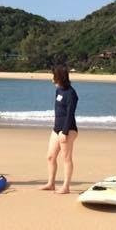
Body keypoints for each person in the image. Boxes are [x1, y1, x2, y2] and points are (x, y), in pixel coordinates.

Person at [40, 64, 78, 194]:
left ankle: (66, 187)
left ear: (59, 77)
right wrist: (57, 129)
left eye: (53, 76)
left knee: (66, 158)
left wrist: (65, 132)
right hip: (56, 129)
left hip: (68, 130)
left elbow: (69, 113)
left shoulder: (71, 94)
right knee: (50, 156)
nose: (51, 78)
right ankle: (51, 184)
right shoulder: (59, 90)